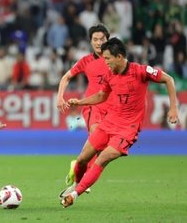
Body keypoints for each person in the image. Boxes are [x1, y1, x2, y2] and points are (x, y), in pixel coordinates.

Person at [60, 37, 179, 208]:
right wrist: (80, 102)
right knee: (81, 160)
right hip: (109, 123)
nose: (105, 62)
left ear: (119, 57)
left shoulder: (141, 71)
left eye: (107, 58)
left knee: (102, 159)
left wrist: (173, 108)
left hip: (128, 129)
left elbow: (169, 79)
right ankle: (76, 185)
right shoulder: (110, 75)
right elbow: (102, 96)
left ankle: (74, 194)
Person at [57, 24, 112, 188]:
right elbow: (66, 77)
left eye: (102, 39)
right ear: (90, 42)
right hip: (92, 107)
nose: (98, 42)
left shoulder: (117, 59)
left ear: (108, 40)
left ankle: (79, 168)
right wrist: (60, 97)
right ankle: (82, 179)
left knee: (102, 149)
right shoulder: (86, 61)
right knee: (97, 136)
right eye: (95, 39)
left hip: (111, 110)